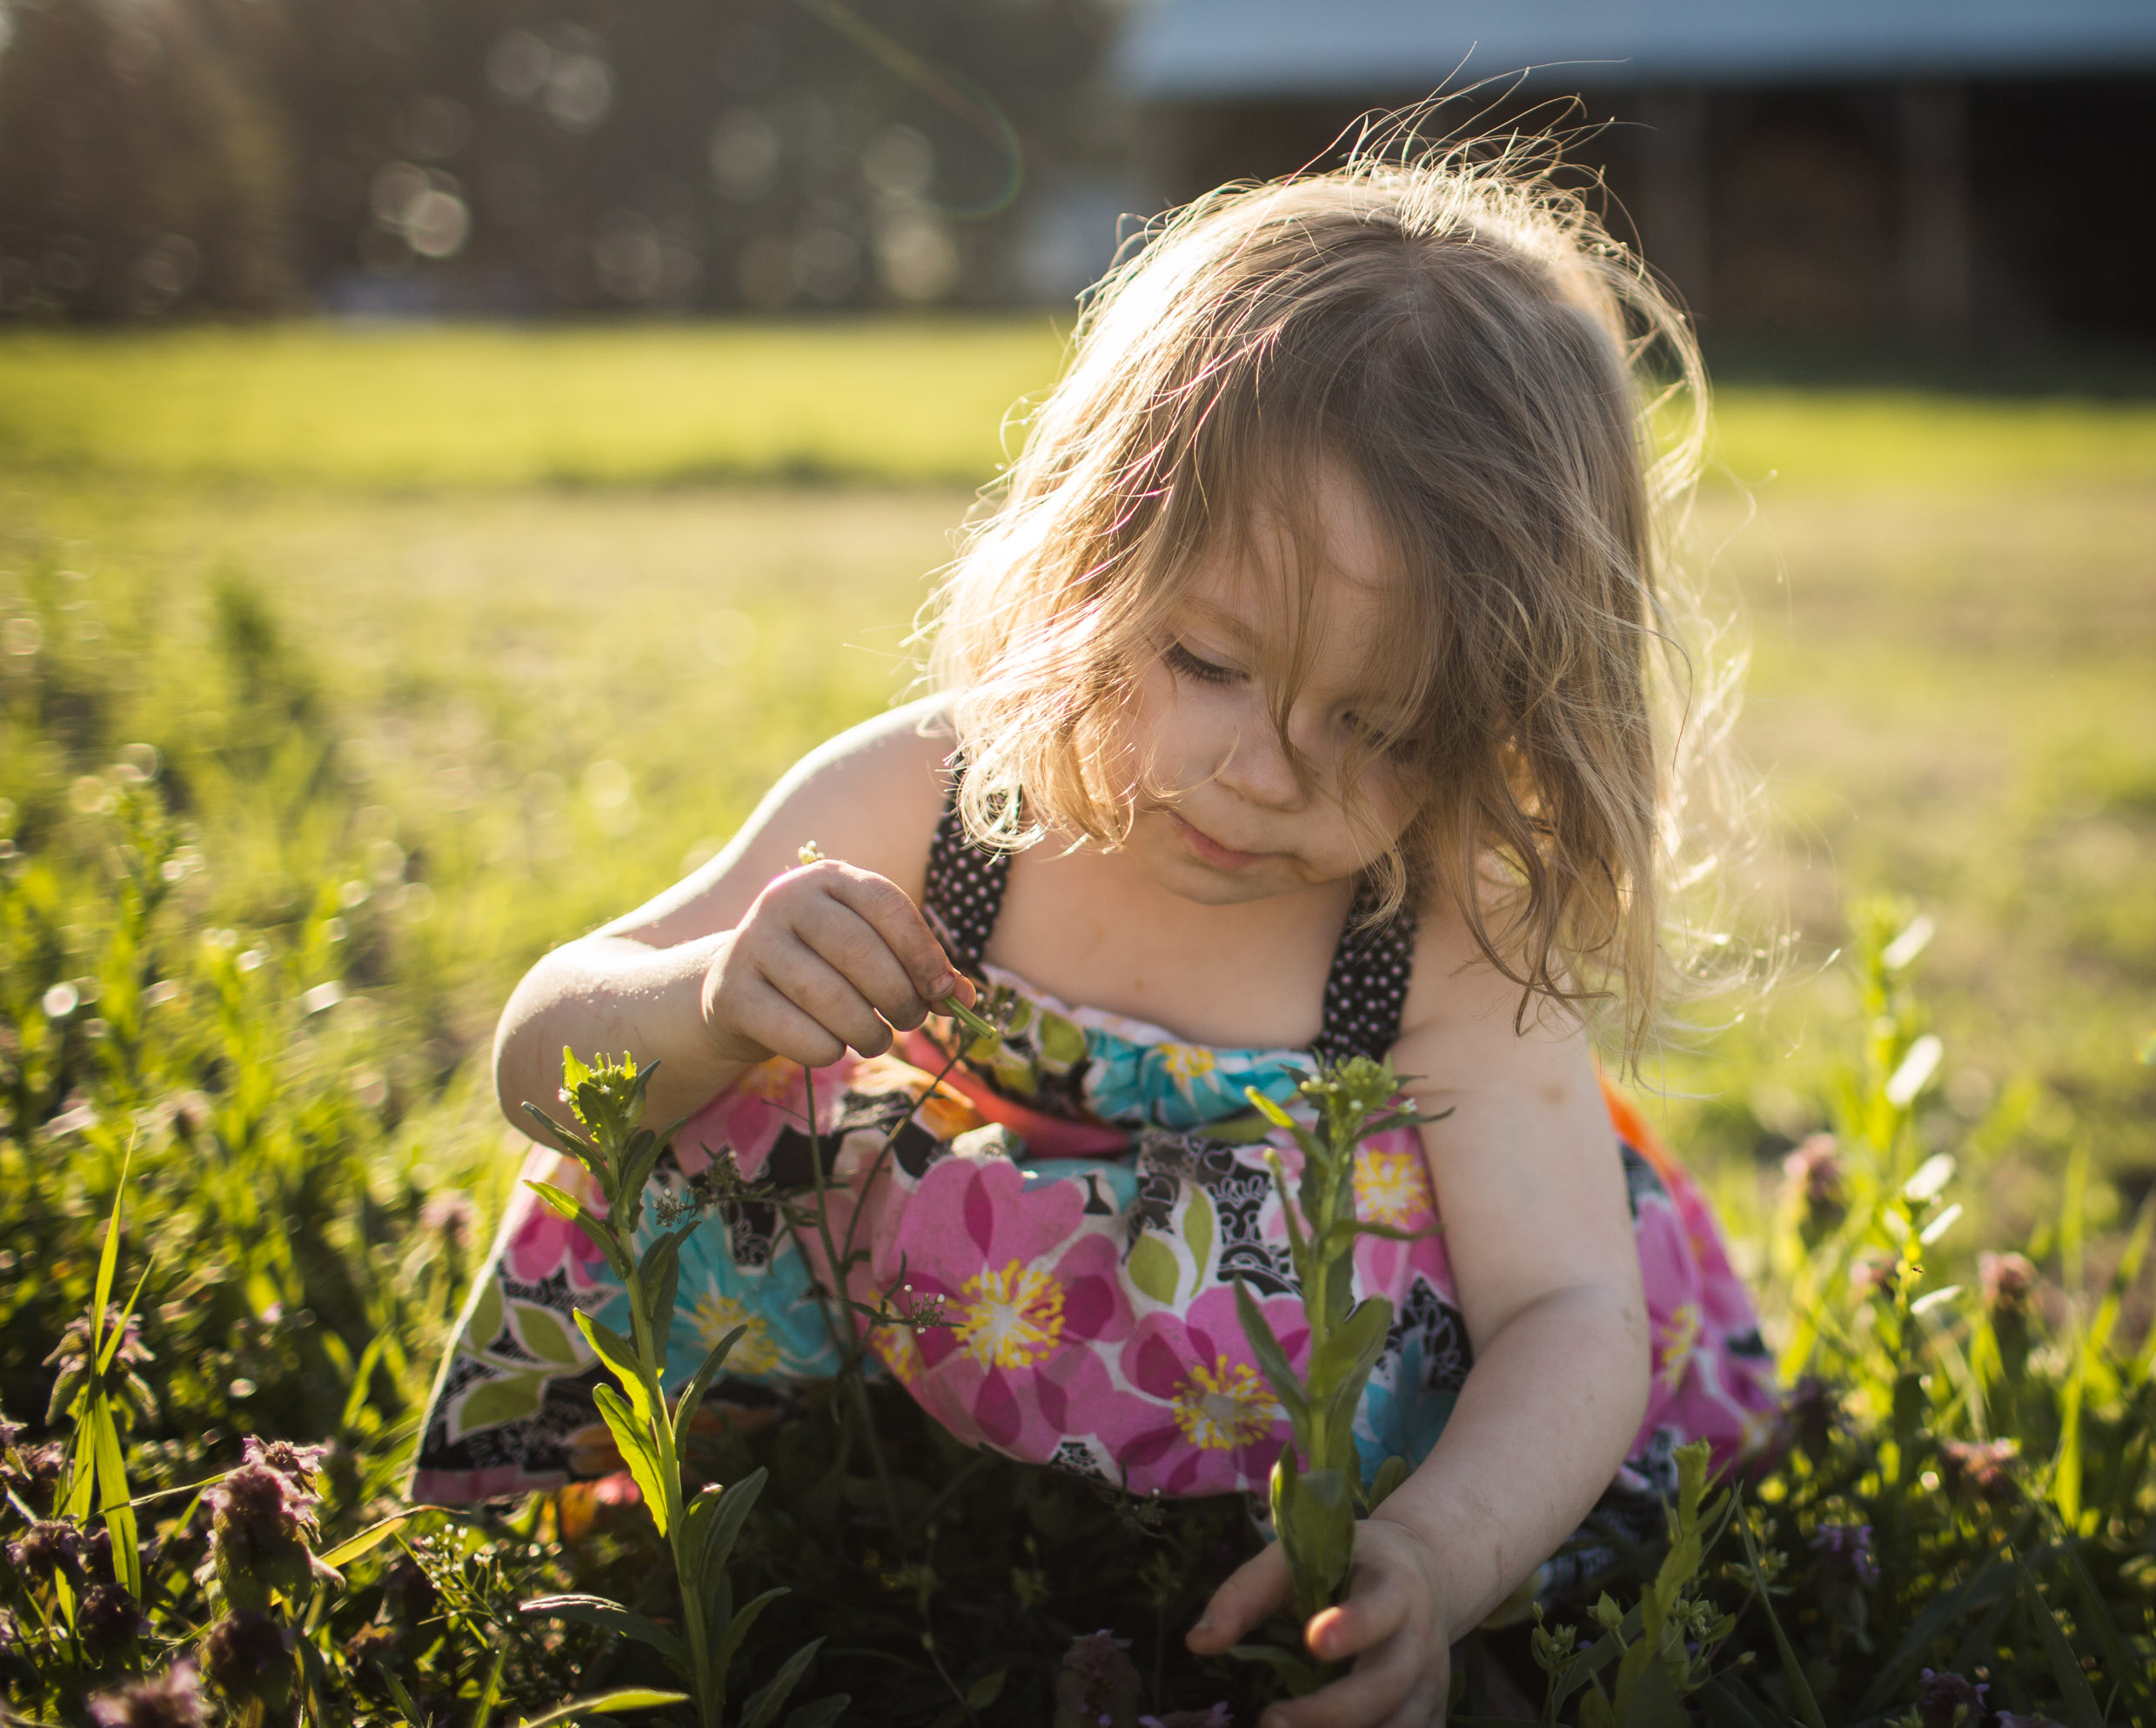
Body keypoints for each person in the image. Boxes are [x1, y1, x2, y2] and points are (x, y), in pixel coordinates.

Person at [412, 138, 1779, 1725]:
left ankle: (1218, 1563)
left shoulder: (1429, 931)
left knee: (1424, 1230)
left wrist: (1442, 1546)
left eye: (1379, 725)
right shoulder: (936, 800)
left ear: (1498, 721)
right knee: (720, 1086)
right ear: (1089, 549)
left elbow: (1564, 1308)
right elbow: (541, 1059)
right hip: (944, 1327)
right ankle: (777, 1494)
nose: (1261, 773)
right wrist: (711, 997)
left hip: (1315, 1411)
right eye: (1202, 658)